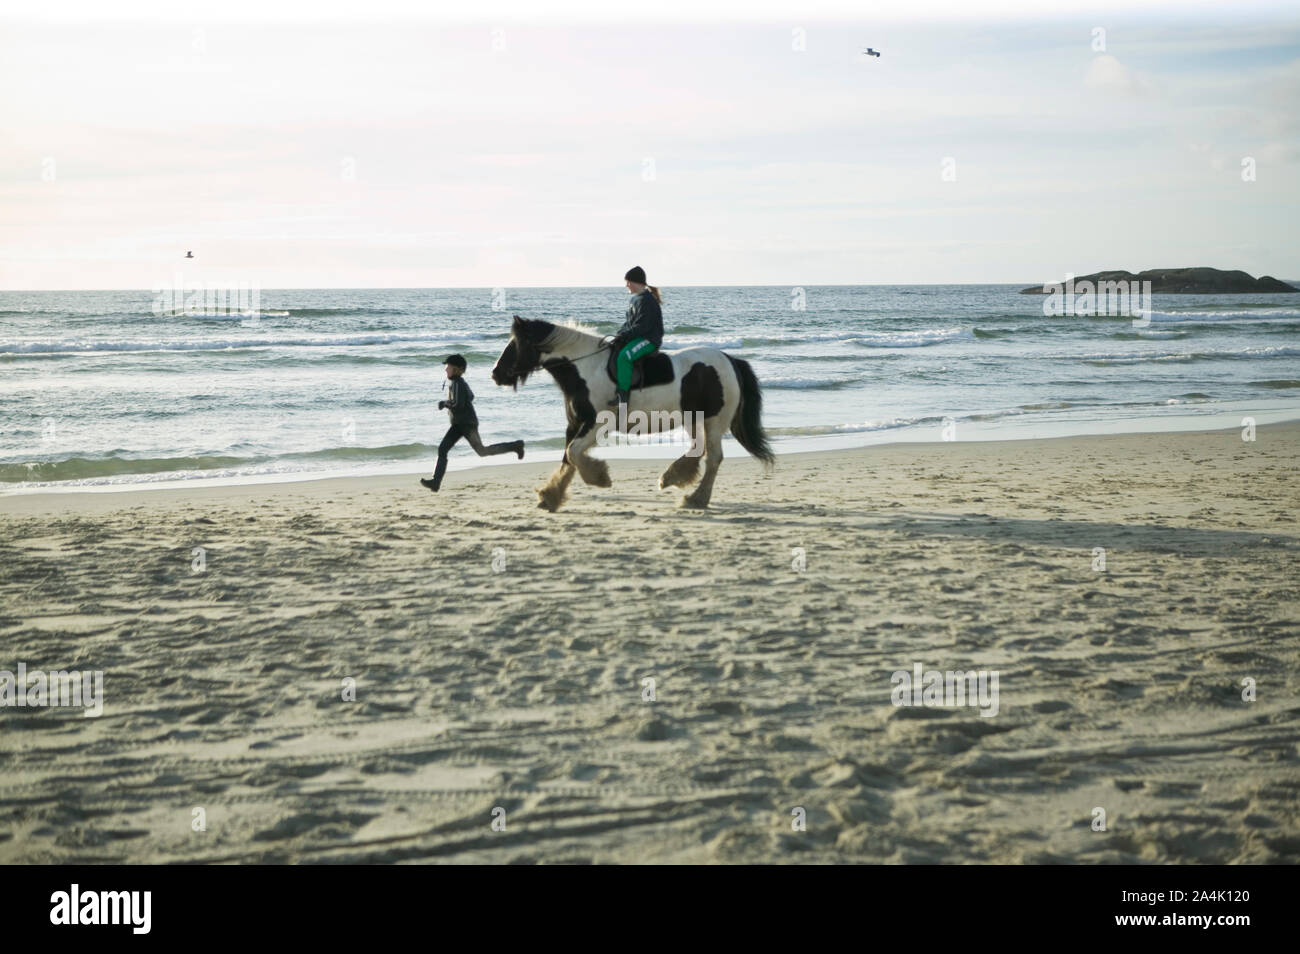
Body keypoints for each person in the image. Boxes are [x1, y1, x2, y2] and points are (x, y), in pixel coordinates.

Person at [420, 354, 524, 492]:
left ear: (457, 369)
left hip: (466, 425)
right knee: (444, 449)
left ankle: (515, 446)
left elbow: (458, 404)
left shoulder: (457, 383)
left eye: (448, 367)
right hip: (460, 424)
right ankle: (436, 482)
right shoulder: (459, 383)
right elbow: (471, 396)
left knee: (481, 451)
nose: (446, 370)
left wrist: (444, 403)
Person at [608, 266, 664, 408]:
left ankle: (623, 396)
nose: (626, 285)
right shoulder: (635, 299)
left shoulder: (647, 300)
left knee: (624, 356)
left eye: (628, 282)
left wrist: (626, 335)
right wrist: (620, 334)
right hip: (638, 337)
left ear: (637, 282)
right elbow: (629, 323)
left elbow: (642, 326)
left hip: (649, 340)